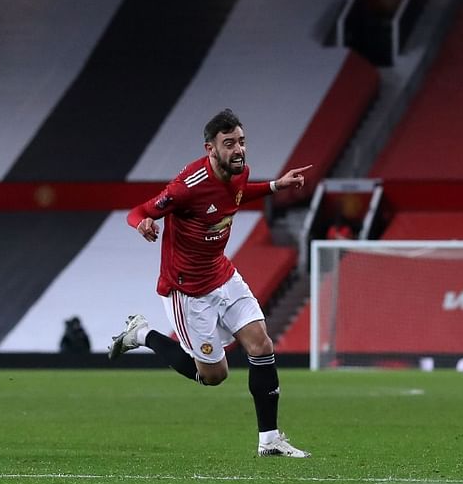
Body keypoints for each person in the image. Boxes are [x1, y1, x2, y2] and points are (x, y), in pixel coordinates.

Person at [107, 109, 313, 458]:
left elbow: (236, 194)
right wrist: (142, 225)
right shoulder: (187, 187)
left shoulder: (239, 171)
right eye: (229, 143)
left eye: (242, 142)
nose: (238, 150)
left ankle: (270, 441)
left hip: (222, 274)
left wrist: (277, 185)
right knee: (214, 376)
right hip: (187, 290)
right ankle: (141, 334)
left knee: (261, 345)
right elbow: (138, 211)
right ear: (210, 149)